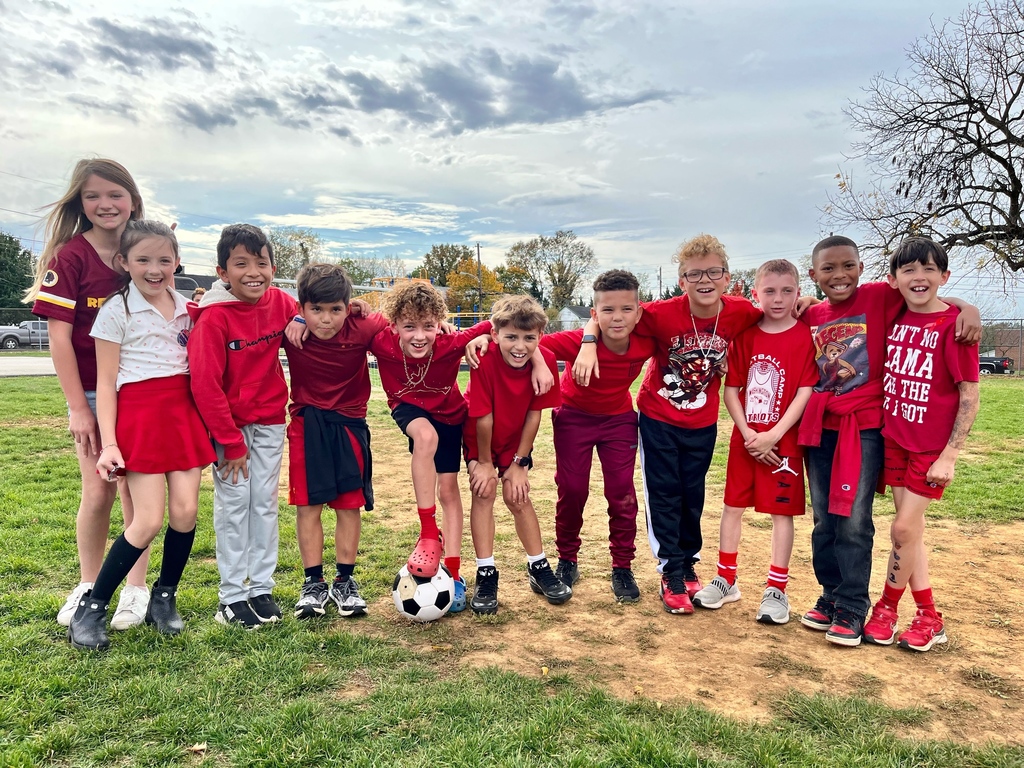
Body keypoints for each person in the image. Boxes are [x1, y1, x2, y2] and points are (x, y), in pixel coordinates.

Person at [797, 235, 980, 647]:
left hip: (865, 429)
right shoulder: (813, 314)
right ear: (814, 274)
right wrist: (804, 301)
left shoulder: (881, 296)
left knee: (855, 519)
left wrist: (969, 307)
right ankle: (830, 595)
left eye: (848, 265)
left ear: (862, 269)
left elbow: (927, 294)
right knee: (824, 518)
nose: (839, 275)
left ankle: (852, 605)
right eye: (828, 268)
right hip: (822, 428)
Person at [573, 234, 760, 614]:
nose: (704, 279)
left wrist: (805, 302)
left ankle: (688, 563)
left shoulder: (741, 312)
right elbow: (610, 316)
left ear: (728, 277)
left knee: (693, 496)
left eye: (714, 271)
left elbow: (779, 312)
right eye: (694, 273)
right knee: (664, 493)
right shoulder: (660, 314)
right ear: (681, 280)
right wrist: (588, 341)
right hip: (658, 416)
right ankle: (670, 570)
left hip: (703, 421)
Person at [67, 221, 216, 650]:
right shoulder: (116, 311)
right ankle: (91, 608)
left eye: (164, 260)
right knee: (147, 520)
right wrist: (110, 442)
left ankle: (164, 598)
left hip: (182, 414)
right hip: (141, 417)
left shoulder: (190, 308)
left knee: (186, 513)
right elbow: (108, 383)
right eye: (143, 260)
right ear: (124, 262)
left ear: (177, 261)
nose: (155, 269)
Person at [25, 158, 153, 632]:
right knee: (98, 489)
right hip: (93, 396)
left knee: (135, 491)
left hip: (139, 393)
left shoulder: (144, 252)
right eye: (93, 196)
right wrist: (79, 407)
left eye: (115, 194)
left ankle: (135, 590)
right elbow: (59, 339)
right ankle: (88, 584)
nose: (105, 204)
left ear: (133, 200)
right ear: (81, 203)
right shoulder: (71, 257)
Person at [862, 238, 979, 652]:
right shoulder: (896, 317)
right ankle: (929, 617)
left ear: (943, 276)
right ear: (893, 280)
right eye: (909, 270)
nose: (919, 276)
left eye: (929, 269)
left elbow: (969, 395)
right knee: (908, 535)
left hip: (931, 448)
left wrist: (950, 454)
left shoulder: (956, 327)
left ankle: (887, 608)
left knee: (903, 528)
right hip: (895, 438)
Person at [692, 259, 817, 624]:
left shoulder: (805, 336)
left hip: (783, 445)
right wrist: (749, 434)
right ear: (755, 294)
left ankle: (777, 589)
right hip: (746, 441)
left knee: (781, 513)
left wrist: (774, 435)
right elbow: (731, 390)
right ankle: (726, 579)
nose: (778, 299)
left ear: (797, 293)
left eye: (787, 291)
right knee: (732, 506)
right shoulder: (745, 336)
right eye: (769, 291)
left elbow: (805, 390)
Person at [188, 224, 299, 629]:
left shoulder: (281, 302)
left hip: (269, 419)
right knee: (235, 506)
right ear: (222, 272)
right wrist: (230, 443)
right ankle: (231, 596)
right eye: (241, 264)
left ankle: (261, 589)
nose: (253, 272)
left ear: (273, 267)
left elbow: (313, 311)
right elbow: (204, 385)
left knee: (264, 503)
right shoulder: (214, 318)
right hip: (229, 431)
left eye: (261, 262)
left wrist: (345, 309)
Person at [370, 282, 496, 612]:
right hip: (409, 409)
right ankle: (428, 531)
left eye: (428, 326)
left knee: (450, 492)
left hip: (450, 415)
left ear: (439, 324)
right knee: (425, 438)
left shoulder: (451, 342)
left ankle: (453, 575)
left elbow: (499, 322)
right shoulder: (380, 340)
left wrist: (482, 337)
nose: (419, 336)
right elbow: (347, 321)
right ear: (394, 325)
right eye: (409, 326)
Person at [538, 270, 655, 602]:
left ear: (639, 311)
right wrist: (587, 341)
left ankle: (622, 566)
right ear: (594, 313)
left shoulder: (647, 340)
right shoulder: (576, 340)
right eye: (607, 310)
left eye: (626, 309)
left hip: (618, 420)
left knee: (621, 492)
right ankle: (567, 561)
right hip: (573, 417)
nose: (617, 317)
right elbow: (531, 342)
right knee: (572, 489)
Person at [285, 263, 382, 619]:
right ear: (301, 308)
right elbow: (258, 301)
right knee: (307, 507)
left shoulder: (365, 325)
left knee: (347, 505)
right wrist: (294, 321)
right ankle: (313, 583)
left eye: (335, 309)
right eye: (316, 310)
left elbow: (406, 324)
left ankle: (345, 581)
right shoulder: (290, 326)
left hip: (349, 425)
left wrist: (450, 327)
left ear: (347, 306)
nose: (325, 319)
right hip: (306, 425)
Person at [464, 295, 570, 613]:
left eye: (529, 338)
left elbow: (535, 413)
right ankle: (486, 573)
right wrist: (484, 463)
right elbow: (483, 417)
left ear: (540, 336)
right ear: (496, 335)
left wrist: (519, 464)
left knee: (518, 495)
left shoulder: (546, 360)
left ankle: (538, 568)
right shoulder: (484, 356)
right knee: (484, 493)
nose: (520, 346)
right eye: (511, 337)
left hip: (515, 438)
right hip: (480, 436)